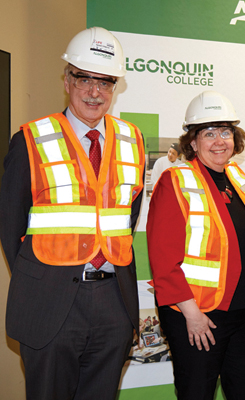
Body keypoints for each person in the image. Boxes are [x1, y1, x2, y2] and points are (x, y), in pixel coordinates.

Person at [0, 27, 145, 399]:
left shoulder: (133, 140)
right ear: (67, 80)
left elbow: (127, 215)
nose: (95, 92)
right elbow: (10, 222)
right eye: (85, 79)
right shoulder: (32, 139)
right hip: (50, 302)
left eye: (106, 82)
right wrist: (41, 281)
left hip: (114, 301)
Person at [147, 90, 245, 399]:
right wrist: (192, 314)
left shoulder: (240, 180)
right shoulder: (176, 181)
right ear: (193, 142)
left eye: (225, 132)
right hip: (198, 316)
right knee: (196, 392)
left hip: (243, 316)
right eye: (208, 133)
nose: (219, 141)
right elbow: (162, 260)